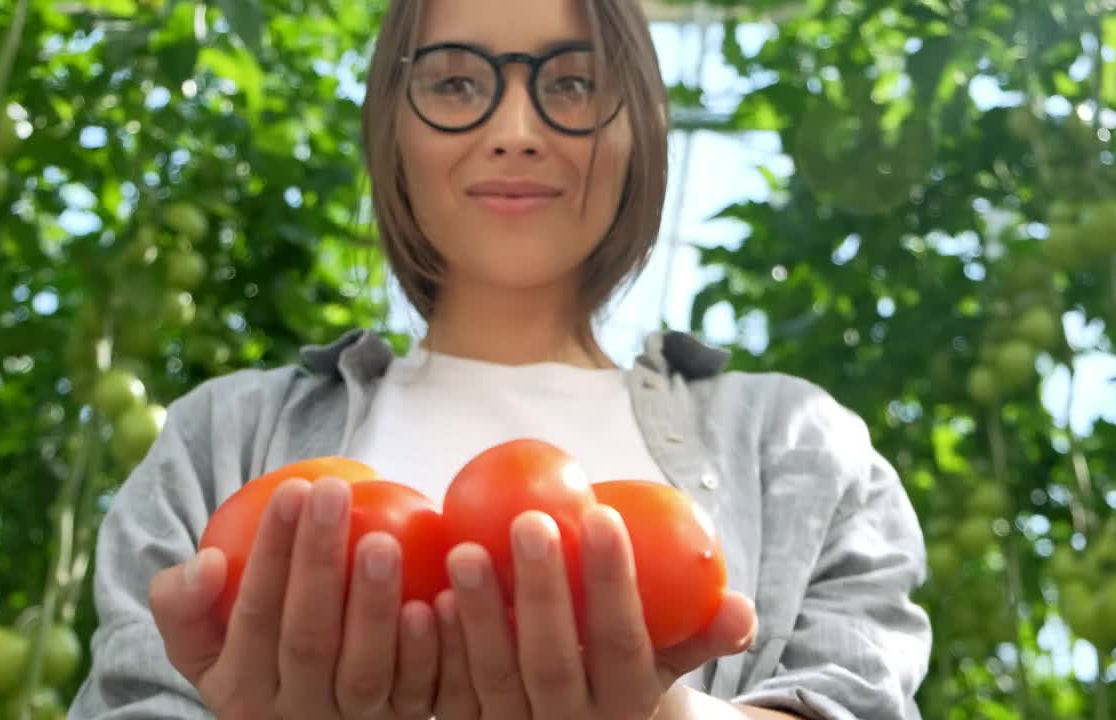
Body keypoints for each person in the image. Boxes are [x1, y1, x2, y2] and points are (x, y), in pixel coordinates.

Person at [67, 0, 933, 717]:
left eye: (574, 83)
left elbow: (856, 697)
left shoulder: (799, 445)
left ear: (642, 131)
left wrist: (667, 717)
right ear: (390, 128)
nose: (516, 130)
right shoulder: (220, 435)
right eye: (453, 83)